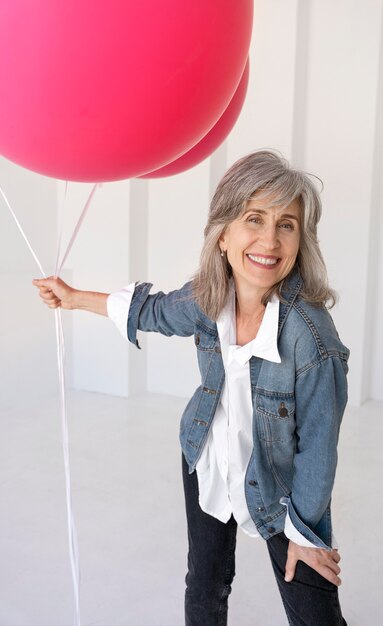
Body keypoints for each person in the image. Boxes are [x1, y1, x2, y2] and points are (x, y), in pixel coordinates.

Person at [33, 151, 349, 626]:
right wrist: (75, 298)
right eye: (254, 219)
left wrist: (305, 535)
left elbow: (319, 451)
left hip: (281, 490)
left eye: (287, 224)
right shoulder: (209, 296)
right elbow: (153, 312)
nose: (270, 238)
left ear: (300, 240)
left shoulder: (312, 338)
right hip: (207, 459)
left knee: (313, 612)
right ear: (223, 235)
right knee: (204, 584)